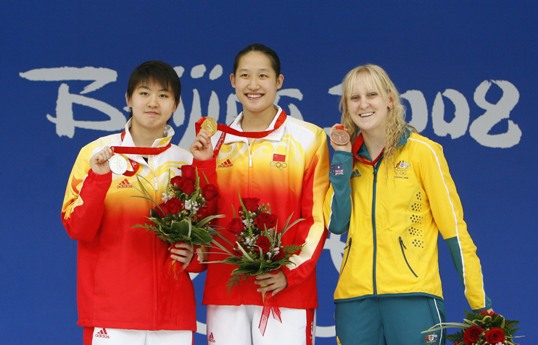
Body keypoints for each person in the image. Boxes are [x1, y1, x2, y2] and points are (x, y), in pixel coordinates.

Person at [323, 64, 492, 345]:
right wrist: (341, 160)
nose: (363, 104)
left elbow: (454, 231)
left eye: (372, 95)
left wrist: (479, 302)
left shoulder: (423, 153)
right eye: (354, 98)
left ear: (390, 99)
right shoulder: (348, 159)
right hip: (354, 299)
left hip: (413, 296)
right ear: (346, 106)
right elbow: (337, 223)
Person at [190, 43, 330, 345]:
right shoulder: (215, 141)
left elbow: (317, 217)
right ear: (233, 81)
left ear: (279, 81)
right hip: (226, 288)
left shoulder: (308, 138)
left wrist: (288, 274)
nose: (253, 85)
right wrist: (202, 165)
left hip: (284, 291)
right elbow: (203, 211)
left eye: (263, 76)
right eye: (245, 76)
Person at [61, 60, 205, 345]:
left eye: (164, 95)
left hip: (172, 314)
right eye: (144, 93)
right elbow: (77, 228)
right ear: (128, 99)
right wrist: (99, 180)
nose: (153, 103)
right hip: (111, 312)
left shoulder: (186, 161)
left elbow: (205, 233)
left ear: (175, 105)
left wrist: (194, 257)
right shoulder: (95, 154)